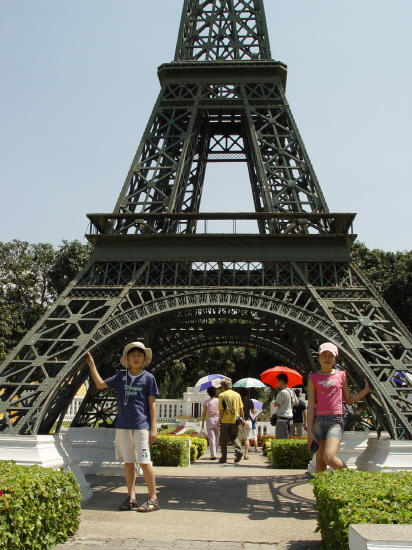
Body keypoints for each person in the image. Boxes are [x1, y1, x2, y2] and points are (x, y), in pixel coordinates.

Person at [85, 341, 159, 512]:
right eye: (132, 354)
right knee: (128, 462)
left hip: (141, 427)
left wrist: (153, 427)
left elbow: (152, 404)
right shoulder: (120, 376)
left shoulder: (148, 377)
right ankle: (131, 497)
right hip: (123, 426)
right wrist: (92, 365)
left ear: (144, 358)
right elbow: (100, 385)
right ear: (126, 358)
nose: (135, 357)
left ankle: (153, 498)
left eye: (139, 355)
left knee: (144, 462)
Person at [307, 342, 371, 472]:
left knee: (329, 457)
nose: (327, 358)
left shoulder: (341, 375)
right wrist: (309, 432)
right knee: (320, 460)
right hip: (318, 422)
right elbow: (311, 406)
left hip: (335, 420)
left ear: (335, 359)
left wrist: (365, 390)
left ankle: (354, 479)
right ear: (318, 358)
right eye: (324, 355)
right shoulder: (313, 378)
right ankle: (320, 491)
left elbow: (348, 400)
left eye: (331, 355)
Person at [218, 378, 245, 463]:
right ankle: (239, 451)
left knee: (223, 439)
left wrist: (219, 420)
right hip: (235, 420)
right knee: (234, 437)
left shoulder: (222, 395)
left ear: (223, 386)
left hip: (225, 420)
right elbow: (241, 409)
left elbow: (221, 409)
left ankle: (223, 458)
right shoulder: (237, 395)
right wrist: (243, 419)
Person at [273, 373, 299, 439]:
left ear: (281, 381)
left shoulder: (283, 392)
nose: (277, 383)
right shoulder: (291, 391)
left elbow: (275, 404)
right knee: (287, 439)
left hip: (282, 419)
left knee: (280, 440)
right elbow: (297, 403)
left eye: (278, 381)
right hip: (290, 419)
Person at [201, 386, 220, 460]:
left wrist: (202, 423)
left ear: (208, 393)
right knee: (217, 437)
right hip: (218, 421)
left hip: (209, 421)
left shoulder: (206, 402)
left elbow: (204, 413)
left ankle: (213, 454)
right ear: (216, 392)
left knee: (212, 438)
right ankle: (215, 451)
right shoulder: (218, 401)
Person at [236, 387, 255, 460]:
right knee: (246, 439)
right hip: (247, 421)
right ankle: (246, 455)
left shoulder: (238, 401)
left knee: (239, 439)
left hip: (239, 421)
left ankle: (238, 453)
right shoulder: (250, 401)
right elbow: (253, 412)